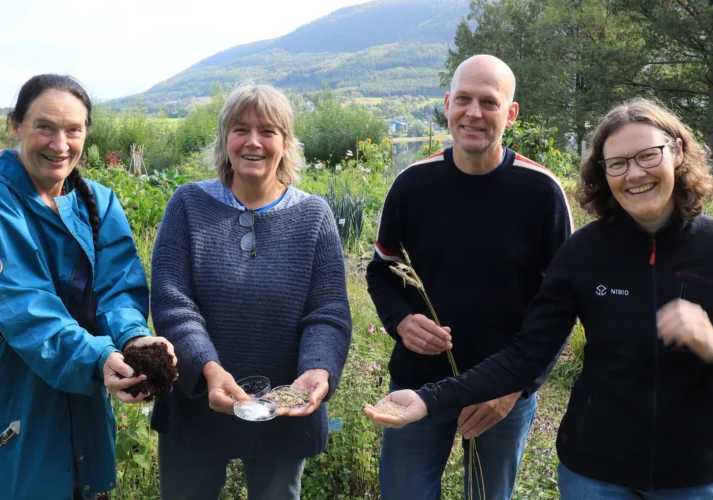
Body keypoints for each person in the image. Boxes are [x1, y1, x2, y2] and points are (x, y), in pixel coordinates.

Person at [364, 98, 713, 499]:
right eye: (617, 163)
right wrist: (427, 399)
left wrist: (709, 341)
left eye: (648, 155)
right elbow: (529, 352)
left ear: (677, 151)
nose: (634, 174)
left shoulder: (708, 248)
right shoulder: (585, 253)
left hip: (695, 475)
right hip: (596, 474)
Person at [0, 74, 176, 500]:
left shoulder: (98, 201)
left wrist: (134, 340)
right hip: (8, 399)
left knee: (77, 484)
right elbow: (26, 310)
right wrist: (99, 358)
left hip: (79, 394)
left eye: (73, 129)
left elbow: (118, 288)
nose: (60, 143)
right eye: (45, 127)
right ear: (16, 126)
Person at [365, 54, 573, 500]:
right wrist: (400, 320)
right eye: (463, 99)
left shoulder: (542, 192)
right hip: (416, 384)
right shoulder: (412, 186)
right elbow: (382, 272)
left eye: (488, 102)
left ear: (510, 113)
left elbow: (561, 308)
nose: (473, 113)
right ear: (447, 104)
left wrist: (516, 387)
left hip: (500, 394)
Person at [150, 83, 352, 500]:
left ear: (286, 143)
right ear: (225, 140)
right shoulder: (187, 205)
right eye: (240, 129)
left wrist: (319, 366)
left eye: (268, 131)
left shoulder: (314, 216)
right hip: (197, 401)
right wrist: (207, 368)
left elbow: (328, 310)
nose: (253, 141)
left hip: (284, 407)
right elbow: (173, 302)